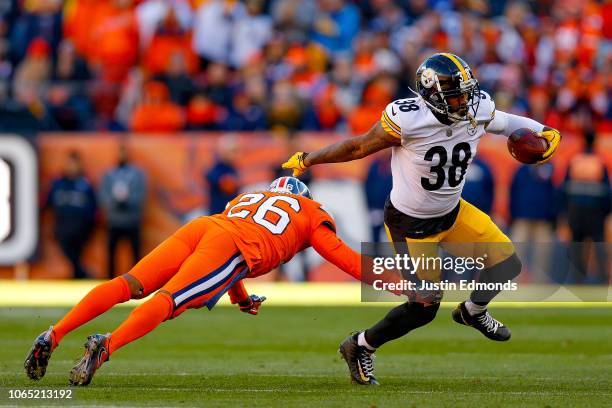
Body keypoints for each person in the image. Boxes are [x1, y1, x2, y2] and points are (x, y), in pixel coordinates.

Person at [283, 53, 561, 385]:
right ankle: (360, 345)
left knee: (506, 265)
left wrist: (542, 130)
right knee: (424, 306)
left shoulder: (476, 109)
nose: (466, 101)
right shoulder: (408, 119)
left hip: (454, 212)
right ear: (432, 95)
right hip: (410, 223)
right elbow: (358, 148)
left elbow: (507, 122)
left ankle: (472, 311)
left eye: (468, 91)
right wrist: (310, 159)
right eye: (457, 94)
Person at [24, 177, 400, 386]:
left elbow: (225, 258)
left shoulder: (251, 195)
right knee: (170, 300)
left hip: (206, 226)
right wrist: (393, 281)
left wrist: (239, 298)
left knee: (130, 282)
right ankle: (106, 346)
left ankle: (54, 334)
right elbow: (344, 258)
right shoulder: (310, 212)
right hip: (232, 247)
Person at [562, 131, 610, 284]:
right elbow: (607, 191)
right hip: (595, 212)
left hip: (576, 211)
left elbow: (565, 188)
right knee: (598, 246)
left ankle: (577, 280)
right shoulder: (599, 162)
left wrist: (565, 212)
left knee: (577, 246)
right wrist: (605, 212)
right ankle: (602, 279)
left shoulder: (575, 160)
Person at [46, 151, 97, 279]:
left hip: (80, 226)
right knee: (70, 253)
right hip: (63, 225)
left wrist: (90, 224)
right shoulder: (58, 183)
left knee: (76, 253)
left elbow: (93, 205)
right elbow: (48, 201)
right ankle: (81, 274)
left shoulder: (85, 183)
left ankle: (78, 274)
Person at [99, 145, 147, 278]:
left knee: (135, 254)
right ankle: (110, 281)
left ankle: (138, 280)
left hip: (131, 220)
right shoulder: (109, 174)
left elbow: (141, 194)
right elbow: (103, 195)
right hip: (114, 220)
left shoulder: (137, 174)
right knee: (111, 254)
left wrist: (128, 202)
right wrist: (114, 204)